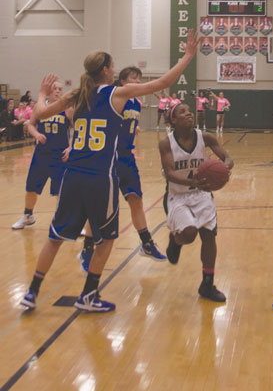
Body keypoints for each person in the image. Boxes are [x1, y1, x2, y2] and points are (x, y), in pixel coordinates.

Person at [20, 30, 198, 313]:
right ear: (105, 70)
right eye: (113, 66)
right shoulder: (116, 94)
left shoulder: (76, 96)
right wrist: (188, 55)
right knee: (108, 239)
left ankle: (31, 293)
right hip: (100, 178)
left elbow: (37, 114)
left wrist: (41, 95)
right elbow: (164, 82)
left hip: (72, 175)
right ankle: (88, 294)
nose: (115, 70)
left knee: (55, 237)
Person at [78, 66, 166, 271]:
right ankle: (87, 248)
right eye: (134, 79)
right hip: (108, 159)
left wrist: (132, 127)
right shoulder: (114, 98)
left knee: (136, 199)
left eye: (139, 79)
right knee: (98, 207)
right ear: (123, 81)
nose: (138, 82)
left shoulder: (137, 102)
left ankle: (146, 243)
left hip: (127, 158)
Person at [159, 103, 233, 302]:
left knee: (209, 236)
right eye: (182, 112)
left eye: (189, 110)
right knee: (190, 234)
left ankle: (207, 284)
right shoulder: (166, 143)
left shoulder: (205, 137)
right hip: (178, 195)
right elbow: (170, 174)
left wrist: (224, 168)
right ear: (173, 120)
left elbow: (227, 157)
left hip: (202, 195)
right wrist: (191, 181)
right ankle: (176, 241)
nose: (189, 113)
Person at [12, 81, 73, 230]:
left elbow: (78, 127)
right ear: (48, 91)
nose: (58, 91)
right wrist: (36, 134)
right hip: (41, 154)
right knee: (31, 187)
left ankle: (67, 221)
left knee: (61, 190)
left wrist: (72, 146)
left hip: (60, 155)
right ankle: (28, 215)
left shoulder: (67, 108)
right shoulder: (40, 107)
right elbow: (30, 124)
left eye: (60, 89)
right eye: (55, 89)